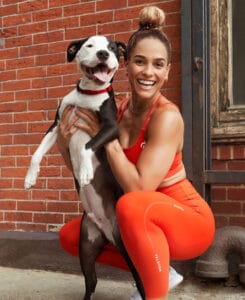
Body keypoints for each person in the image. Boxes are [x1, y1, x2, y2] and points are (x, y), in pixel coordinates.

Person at [57, 6, 215, 300]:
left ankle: (152, 293)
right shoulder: (115, 110)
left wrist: (108, 139)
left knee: (129, 206)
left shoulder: (166, 117)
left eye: (158, 64)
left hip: (188, 221)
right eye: (140, 62)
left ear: (167, 72)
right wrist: (65, 144)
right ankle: (160, 270)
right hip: (142, 221)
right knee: (72, 236)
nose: (148, 72)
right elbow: (84, 171)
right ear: (125, 64)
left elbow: (139, 188)